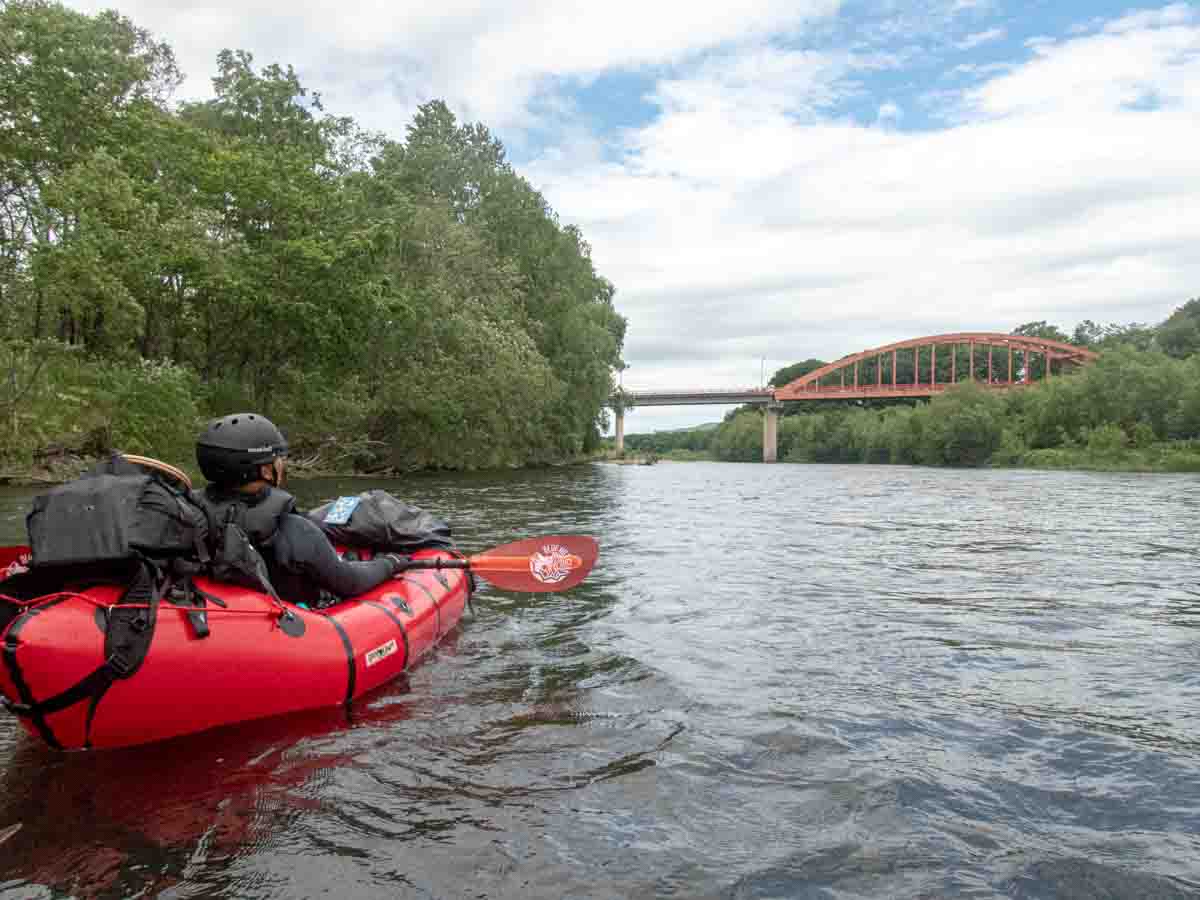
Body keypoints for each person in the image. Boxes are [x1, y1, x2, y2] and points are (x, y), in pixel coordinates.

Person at [195, 413, 404, 607]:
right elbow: (350, 582)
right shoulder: (294, 529)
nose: (281, 464)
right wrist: (390, 563)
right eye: (278, 459)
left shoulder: (192, 511)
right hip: (295, 622)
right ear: (266, 471)